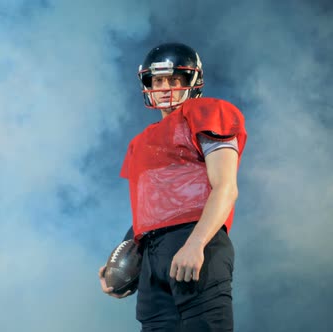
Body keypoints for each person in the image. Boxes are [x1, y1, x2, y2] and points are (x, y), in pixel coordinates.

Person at [98, 42, 247, 331]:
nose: (165, 87)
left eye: (174, 79)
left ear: (191, 81)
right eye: (158, 80)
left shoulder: (206, 112)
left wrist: (196, 243)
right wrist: (123, 257)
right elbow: (149, 212)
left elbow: (226, 188)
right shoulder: (140, 142)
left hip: (195, 239)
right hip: (153, 255)